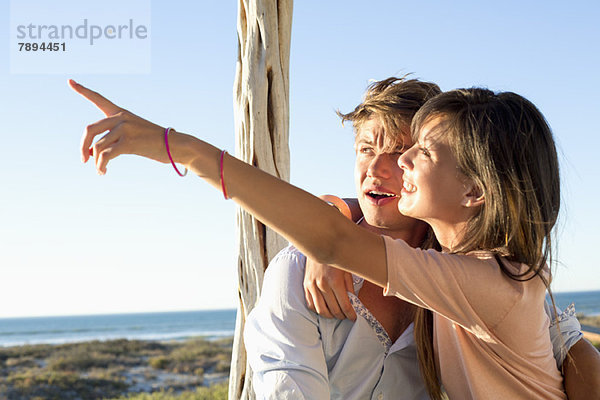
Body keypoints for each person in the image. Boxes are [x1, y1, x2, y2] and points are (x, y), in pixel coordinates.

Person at [70, 78, 594, 398]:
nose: (389, 166)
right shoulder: (480, 270)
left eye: (415, 151)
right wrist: (338, 218)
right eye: (368, 149)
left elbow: (567, 341)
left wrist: (180, 148)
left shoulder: (485, 279)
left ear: (475, 188)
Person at [243, 78, 598, 399]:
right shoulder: (297, 269)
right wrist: (327, 222)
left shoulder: (466, 267)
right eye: (366, 149)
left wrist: (329, 223)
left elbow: (564, 340)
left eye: (403, 150)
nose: (377, 169)